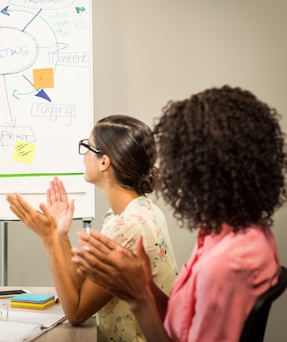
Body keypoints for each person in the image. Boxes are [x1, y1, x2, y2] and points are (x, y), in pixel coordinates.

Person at [73, 86, 285, 342]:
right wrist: (145, 285)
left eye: (179, 164)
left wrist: (139, 297)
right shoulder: (235, 231)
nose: (171, 174)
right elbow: (181, 319)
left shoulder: (224, 265)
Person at [6, 115, 178, 342]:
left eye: (87, 147)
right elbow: (80, 286)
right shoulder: (137, 211)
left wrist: (48, 240)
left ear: (104, 162)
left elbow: (76, 312)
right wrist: (60, 235)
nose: (84, 155)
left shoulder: (127, 225)